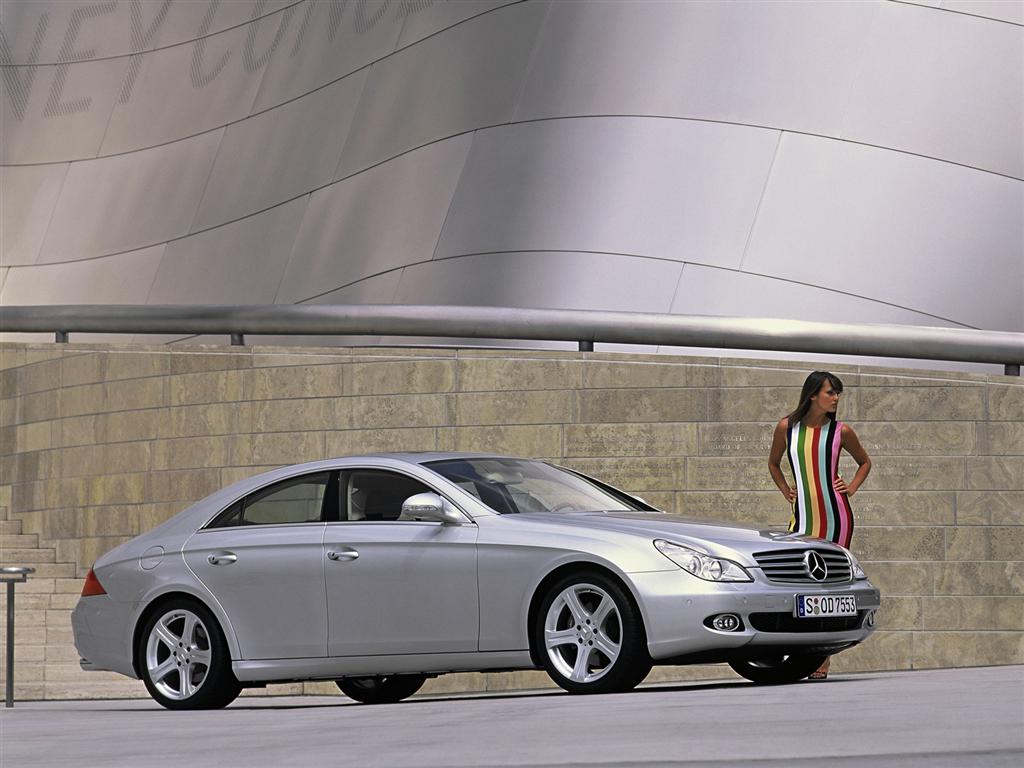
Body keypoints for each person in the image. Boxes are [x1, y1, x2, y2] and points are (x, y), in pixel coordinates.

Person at [767, 370, 871, 680]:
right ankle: (803, 651)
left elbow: (865, 462)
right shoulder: (787, 428)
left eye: (838, 393)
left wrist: (851, 488)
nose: (836, 398)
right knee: (803, 583)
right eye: (830, 392)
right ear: (813, 394)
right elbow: (773, 463)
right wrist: (786, 490)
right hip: (803, 517)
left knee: (832, 586)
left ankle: (822, 658)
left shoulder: (842, 431)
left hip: (837, 516)